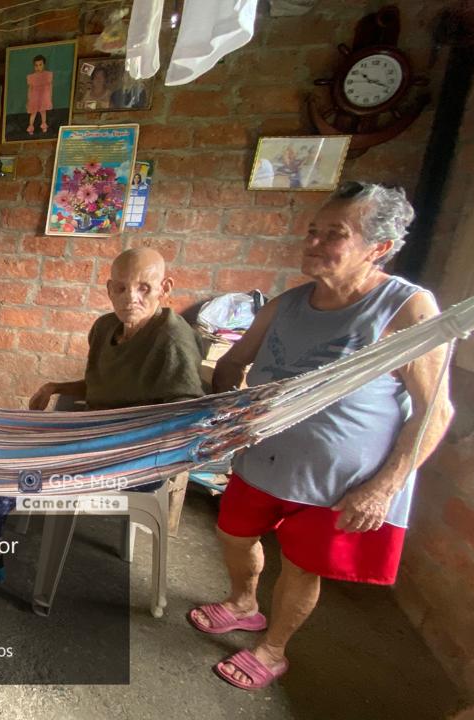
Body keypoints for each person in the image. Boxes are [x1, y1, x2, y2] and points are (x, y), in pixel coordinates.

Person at [190, 182, 453, 691]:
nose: (312, 242)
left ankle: (273, 650)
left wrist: (383, 488)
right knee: (234, 534)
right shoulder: (286, 305)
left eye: (334, 234)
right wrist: (230, 420)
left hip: (338, 482)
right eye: (313, 230)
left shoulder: (406, 310)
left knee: (301, 566)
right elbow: (232, 363)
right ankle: (243, 604)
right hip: (262, 460)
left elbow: (434, 411)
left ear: (378, 247)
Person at [0, 248, 206, 582]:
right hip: (95, 437)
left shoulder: (172, 340)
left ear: (165, 288)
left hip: (137, 459)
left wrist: (117, 443)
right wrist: (54, 387)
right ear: (109, 289)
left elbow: (186, 417)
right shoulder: (105, 328)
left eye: (144, 287)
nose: (131, 297)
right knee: (10, 445)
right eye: (121, 287)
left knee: (26, 465)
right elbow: (103, 388)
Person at [25, 54, 53, 135]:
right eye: (36, 65)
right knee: (33, 112)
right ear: (34, 66)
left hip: (43, 97)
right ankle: (31, 127)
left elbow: (50, 87)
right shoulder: (31, 77)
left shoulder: (48, 75)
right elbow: (30, 89)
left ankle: (44, 125)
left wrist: (49, 97)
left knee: (43, 112)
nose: (38, 67)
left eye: (40, 65)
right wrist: (29, 99)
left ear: (44, 65)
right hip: (34, 97)